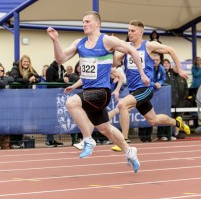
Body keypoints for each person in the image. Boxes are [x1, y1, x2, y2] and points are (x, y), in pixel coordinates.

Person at [47, 11, 148, 173]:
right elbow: (60, 60)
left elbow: (132, 50)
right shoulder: (79, 43)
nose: (84, 24)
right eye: (83, 22)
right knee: (105, 129)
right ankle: (129, 151)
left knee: (71, 102)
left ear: (97, 24)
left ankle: (88, 139)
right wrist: (55, 41)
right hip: (89, 93)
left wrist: (142, 73)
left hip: (102, 92)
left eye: (87, 21)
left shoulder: (107, 40)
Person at [110, 20, 190, 152]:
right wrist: (112, 49)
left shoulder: (148, 46)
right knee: (153, 120)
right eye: (129, 30)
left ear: (141, 32)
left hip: (145, 88)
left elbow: (171, 50)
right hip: (134, 90)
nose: (130, 33)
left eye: (133, 31)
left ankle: (123, 141)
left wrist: (180, 69)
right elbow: (114, 63)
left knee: (122, 105)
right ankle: (177, 122)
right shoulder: (126, 48)